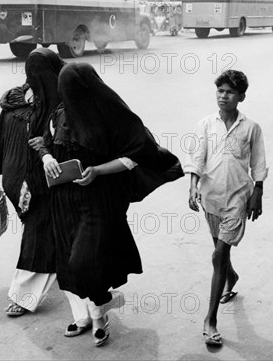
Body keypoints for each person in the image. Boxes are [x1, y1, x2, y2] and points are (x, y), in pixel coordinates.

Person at [36, 62, 183, 346]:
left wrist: (98, 171)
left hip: (99, 201)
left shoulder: (110, 115)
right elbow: (41, 142)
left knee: (83, 262)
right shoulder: (59, 114)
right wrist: (47, 158)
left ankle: (103, 303)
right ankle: (98, 317)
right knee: (70, 265)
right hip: (64, 202)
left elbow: (136, 154)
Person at [186, 70, 267, 347]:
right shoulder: (206, 125)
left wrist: (258, 191)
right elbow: (197, 158)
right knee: (220, 252)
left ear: (241, 96)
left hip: (236, 199)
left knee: (218, 254)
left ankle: (210, 320)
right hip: (210, 198)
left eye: (229, 92)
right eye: (220, 91)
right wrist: (192, 186)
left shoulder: (251, 128)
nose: (223, 96)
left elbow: (258, 162)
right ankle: (231, 277)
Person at [0, 48, 66, 317]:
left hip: (40, 182)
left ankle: (28, 291)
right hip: (21, 183)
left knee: (41, 232)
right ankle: (26, 293)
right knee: (40, 234)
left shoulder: (60, 103)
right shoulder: (19, 99)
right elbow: (0, 138)